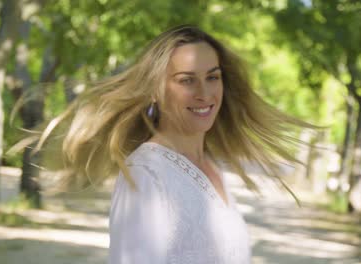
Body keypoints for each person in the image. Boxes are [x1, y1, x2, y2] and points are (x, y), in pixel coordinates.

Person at [34, 25, 313, 263]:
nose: (204, 93)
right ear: (156, 90)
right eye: (186, 80)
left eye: (212, 77)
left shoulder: (211, 165)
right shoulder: (145, 174)